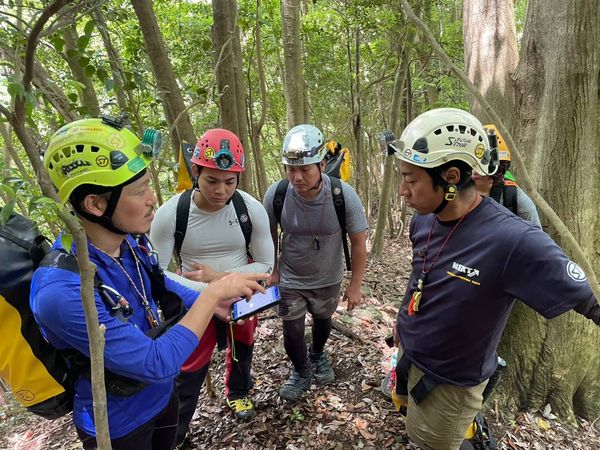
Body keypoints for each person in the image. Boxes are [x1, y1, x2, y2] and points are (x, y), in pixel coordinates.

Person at [30, 116, 267, 450]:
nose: (152, 198)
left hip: (162, 399)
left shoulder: (127, 242)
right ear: (96, 204)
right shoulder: (61, 292)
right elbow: (156, 363)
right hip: (118, 425)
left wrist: (217, 300)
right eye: (140, 191)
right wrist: (212, 293)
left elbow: (164, 285)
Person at [385, 108, 599, 450]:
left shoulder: (512, 240)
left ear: (451, 176)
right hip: (411, 354)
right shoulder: (424, 218)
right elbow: (419, 274)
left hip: (452, 384)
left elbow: (588, 298)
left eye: (411, 180)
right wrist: (402, 317)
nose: (402, 191)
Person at [149, 129, 274, 442]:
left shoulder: (250, 209)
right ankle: (176, 433)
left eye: (230, 182)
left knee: (242, 350)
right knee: (189, 367)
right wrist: (207, 292)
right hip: (193, 298)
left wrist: (217, 278)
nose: (221, 191)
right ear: (196, 172)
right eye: (212, 181)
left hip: (242, 296)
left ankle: (238, 392)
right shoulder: (170, 214)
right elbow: (156, 271)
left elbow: (267, 265)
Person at [263, 124, 368, 401]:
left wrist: (355, 285)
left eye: (305, 169)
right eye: (290, 169)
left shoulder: (342, 195)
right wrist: (272, 270)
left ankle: (318, 354)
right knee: (292, 330)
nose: (296, 177)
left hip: (328, 277)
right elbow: (268, 234)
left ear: (321, 164)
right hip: (291, 278)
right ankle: (300, 370)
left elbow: (358, 242)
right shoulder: (277, 195)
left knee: (323, 321)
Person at [471, 123, 541, 227]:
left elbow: (537, 237)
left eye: (484, 165)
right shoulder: (455, 193)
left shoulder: (512, 196)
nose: (475, 171)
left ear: (498, 168)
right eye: (473, 164)